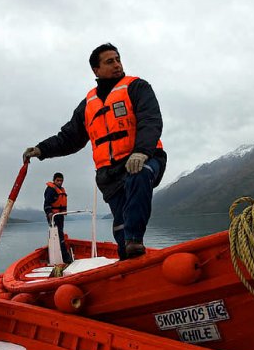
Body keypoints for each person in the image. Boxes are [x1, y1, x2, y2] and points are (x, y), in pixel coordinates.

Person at [23, 43, 166, 260]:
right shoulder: (88, 105)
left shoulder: (137, 87)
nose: (117, 65)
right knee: (120, 224)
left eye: (118, 59)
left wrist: (141, 151)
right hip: (110, 173)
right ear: (96, 70)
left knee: (140, 174)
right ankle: (129, 263)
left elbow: (151, 120)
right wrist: (42, 149)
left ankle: (135, 240)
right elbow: (69, 138)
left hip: (144, 157)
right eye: (110, 61)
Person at [44, 172, 72, 264]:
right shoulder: (50, 190)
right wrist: (49, 213)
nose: (60, 182)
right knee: (58, 235)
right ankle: (65, 257)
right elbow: (46, 204)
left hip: (60, 216)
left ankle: (63, 255)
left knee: (60, 234)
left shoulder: (61, 190)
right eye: (58, 180)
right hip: (53, 217)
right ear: (54, 180)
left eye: (61, 181)